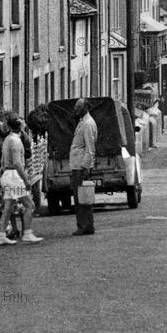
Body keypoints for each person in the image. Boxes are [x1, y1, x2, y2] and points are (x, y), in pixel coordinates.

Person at [0, 117, 44, 245]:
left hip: (7, 174)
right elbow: (17, 163)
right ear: (21, 127)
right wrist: (26, 179)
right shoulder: (16, 141)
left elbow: (2, 161)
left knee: (8, 206)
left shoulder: (7, 139)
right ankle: (27, 233)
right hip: (14, 176)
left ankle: (1, 235)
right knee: (29, 205)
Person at [69, 98, 98, 235]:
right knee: (81, 196)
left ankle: (84, 225)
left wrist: (86, 167)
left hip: (81, 166)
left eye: (78, 108)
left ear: (85, 108)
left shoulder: (87, 124)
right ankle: (85, 225)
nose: (75, 110)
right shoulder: (83, 121)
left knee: (82, 197)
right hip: (78, 165)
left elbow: (90, 147)